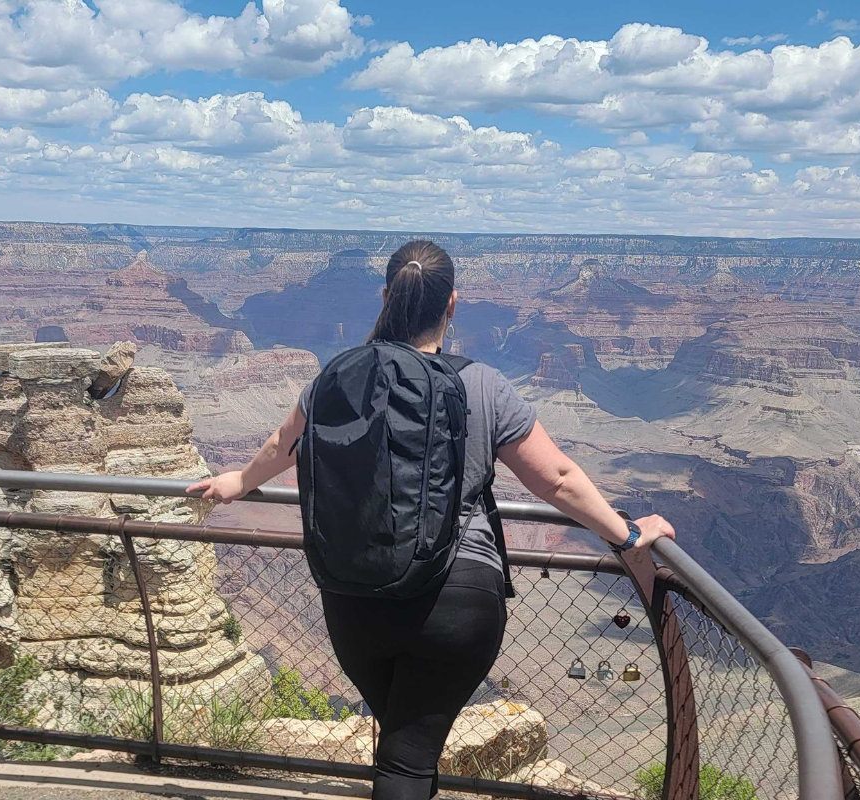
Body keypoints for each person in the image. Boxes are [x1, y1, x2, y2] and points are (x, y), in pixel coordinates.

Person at [187, 240, 676, 800]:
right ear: (452, 305)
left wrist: (234, 484)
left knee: (406, 743)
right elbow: (557, 480)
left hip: (353, 597)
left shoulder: (334, 378)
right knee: (407, 760)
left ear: (386, 297)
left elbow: (283, 443)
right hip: (456, 600)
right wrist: (629, 535)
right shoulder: (482, 384)